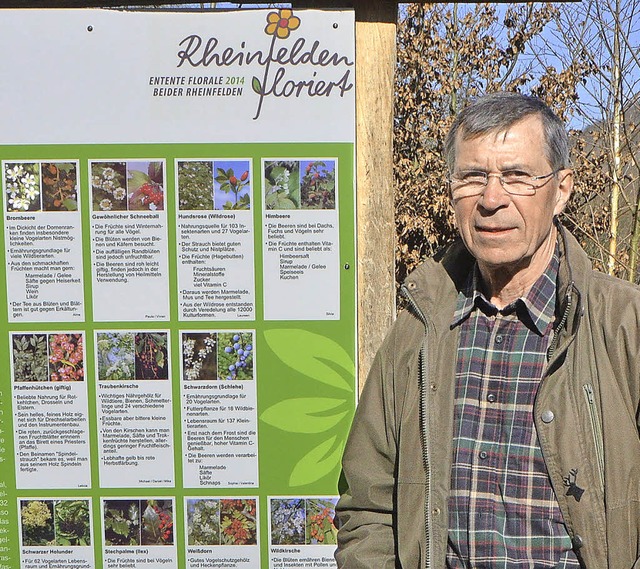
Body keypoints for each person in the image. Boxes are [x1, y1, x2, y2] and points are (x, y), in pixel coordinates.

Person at [335, 92, 640, 568]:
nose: (491, 199)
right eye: (473, 177)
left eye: (517, 176)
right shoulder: (417, 330)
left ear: (561, 190)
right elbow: (369, 506)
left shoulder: (624, 326)